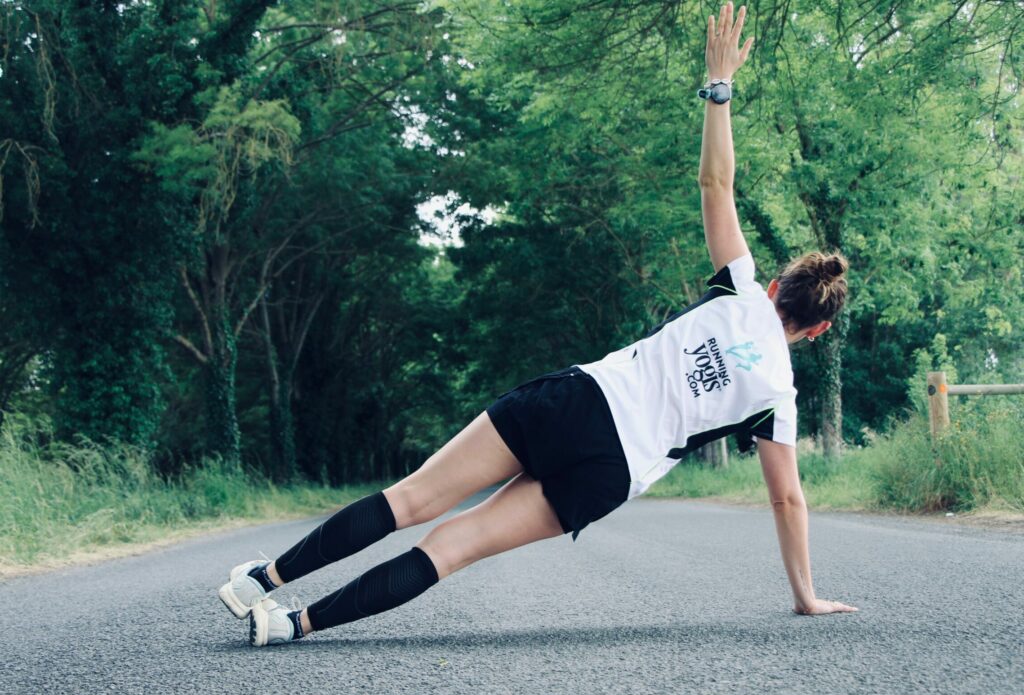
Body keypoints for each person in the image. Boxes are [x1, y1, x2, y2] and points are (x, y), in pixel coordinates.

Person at [219, 2, 858, 647]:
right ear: (819, 331)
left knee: (412, 501)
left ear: (779, 286)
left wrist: (720, 87)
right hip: (611, 469)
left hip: (579, 401)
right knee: (454, 546)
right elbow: (787, 500)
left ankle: (261, 582)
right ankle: (289, 625)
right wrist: (804, 596)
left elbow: (716, 183)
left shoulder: (740, 288)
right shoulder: (778, 398)